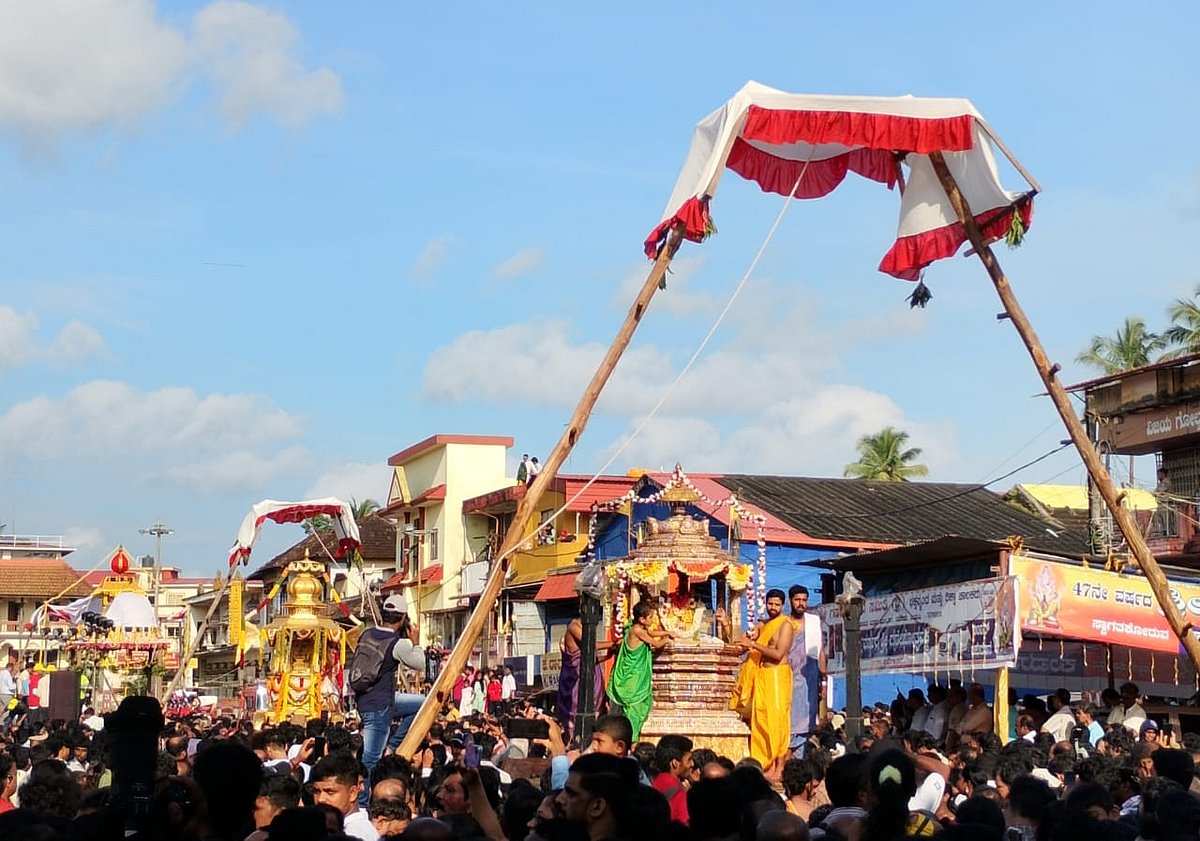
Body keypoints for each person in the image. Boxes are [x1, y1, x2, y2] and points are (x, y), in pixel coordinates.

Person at [352, 593, 427, 808]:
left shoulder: (367, 634)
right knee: (371, 759)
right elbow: (420, 664)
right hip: (380, 705)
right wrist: (415, 642)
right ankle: (363, 804)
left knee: (423, 703)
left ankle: (392, 746)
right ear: (402, 618)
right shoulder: (398, 643)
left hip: (368, 700)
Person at [728, 588, 795, 780]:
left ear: (783, 605)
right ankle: (766, 763)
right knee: (761, 721)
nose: (773, 607)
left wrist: (754, 645)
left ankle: (779, 766)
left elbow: (778, 654)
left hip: (777, 676)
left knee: (777, 721)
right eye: (770, 604)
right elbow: (742, 642)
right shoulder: (763, 625)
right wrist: (725, 624)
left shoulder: (785, 625)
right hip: (762, 676)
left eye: (776, 604)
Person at [607, 600, 672, 741]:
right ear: (642, 619)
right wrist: (667, 640)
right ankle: (631, 740)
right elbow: (656, 643)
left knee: (641, 707)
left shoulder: (638, 627)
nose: (653, 619)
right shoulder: (637, 631)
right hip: (633, 677)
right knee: (635, 710)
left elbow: (652, 633)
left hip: (636, 675)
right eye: (651, 617)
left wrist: (668, 632)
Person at [786, 585, 826, 745]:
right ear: (790, 601)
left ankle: (799, 753)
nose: (801, 603)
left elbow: (820, 650)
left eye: (804, 600)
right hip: (788, 676)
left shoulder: (813, 622)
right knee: (788, 721)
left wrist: (823, 681)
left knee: (806, 721)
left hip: (809, 678)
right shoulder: (784, 623)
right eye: (797, 600)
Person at [556, 617, 604, 741]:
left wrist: (609, 654)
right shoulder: (574, 627)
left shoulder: (584, 628)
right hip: (575, 679)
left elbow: (591, 658)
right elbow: (590, 645)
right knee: (576, 710)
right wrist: (613, 644)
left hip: (589, 677)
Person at [311, 752, 378, 841]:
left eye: (330, 792)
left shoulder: (355, 834)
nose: (320, 799)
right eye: (316, 791)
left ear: (353, 793)